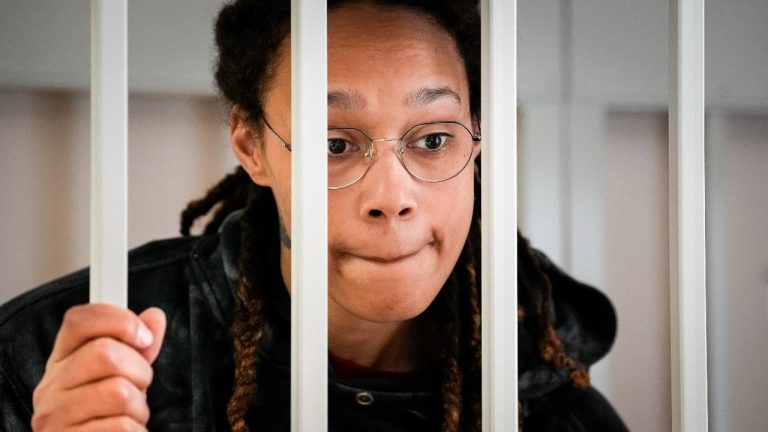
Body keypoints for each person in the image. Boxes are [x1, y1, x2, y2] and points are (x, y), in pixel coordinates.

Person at [0, 0, 628, 431]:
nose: (393, 195)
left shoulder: (543, 390)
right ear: (252, 147)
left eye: (433, 139)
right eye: (334, 144)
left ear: (477, 138)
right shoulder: (61, 358)